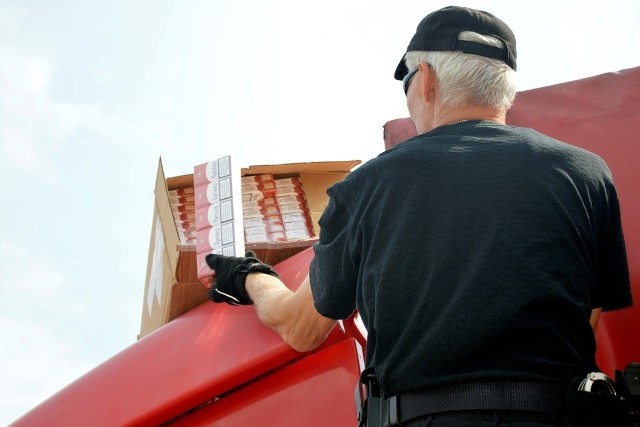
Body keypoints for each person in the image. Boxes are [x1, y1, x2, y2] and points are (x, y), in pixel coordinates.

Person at [206, 5, 633, 426]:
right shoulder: (586, 175)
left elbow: (301, 327)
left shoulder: (368, 187)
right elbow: (585, 321)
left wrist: (248, 276)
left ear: (425, 79)